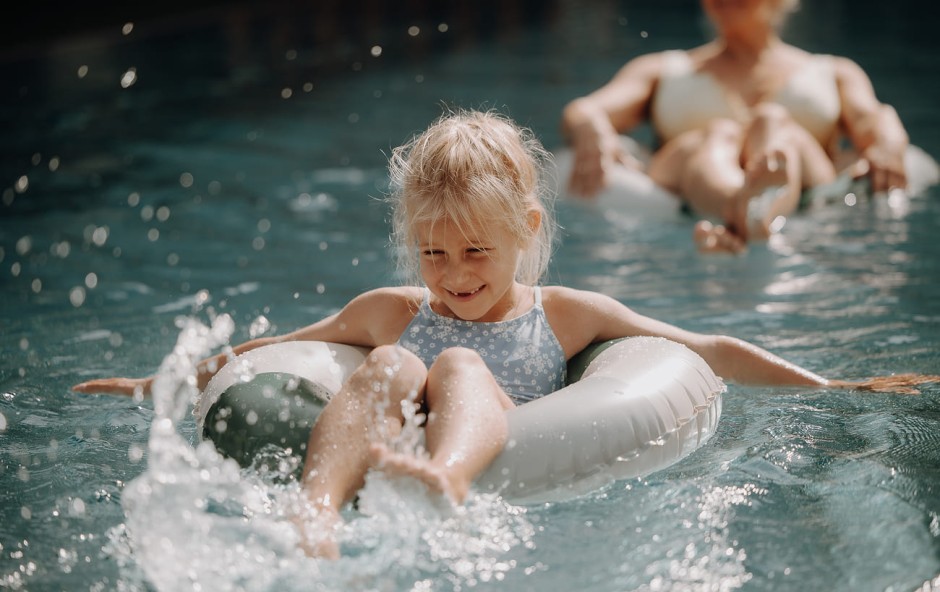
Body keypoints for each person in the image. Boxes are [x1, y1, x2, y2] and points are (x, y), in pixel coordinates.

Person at [72, 110, 934, 558]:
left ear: (525, 229)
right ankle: (318, 512)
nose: (453, 275)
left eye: (476, 251)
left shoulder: (563, 313)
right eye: (433, 253)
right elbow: (275, 351)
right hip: (392, 426)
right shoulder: (394, 309)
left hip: (504, 445)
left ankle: (443, 479)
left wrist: (835, 386)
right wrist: (162, 383)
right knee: (386, 365)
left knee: (455, 364)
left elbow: (704, 349)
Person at [561, 0, 911, 253]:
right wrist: (591, 126)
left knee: (773, 122)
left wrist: (889, 142)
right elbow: (588, 108)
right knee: (716, 134)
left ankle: (753, 208)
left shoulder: (833, 72)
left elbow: (874, 119)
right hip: (691, 167)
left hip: (801, 170)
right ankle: (745, 210)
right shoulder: (663, 69)